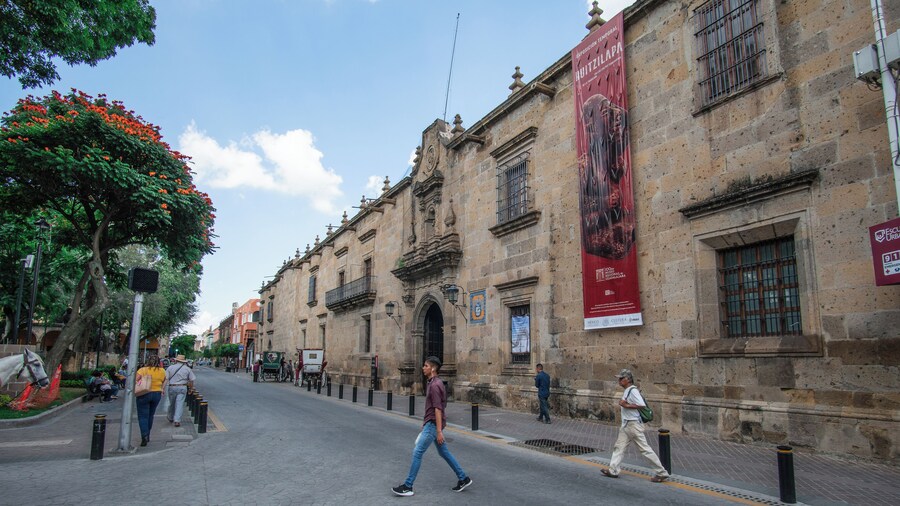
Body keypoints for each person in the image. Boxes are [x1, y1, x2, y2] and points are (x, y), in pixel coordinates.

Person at [392, 356, 472, 497]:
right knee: (444, 452)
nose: (423, 368)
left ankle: (408, 486)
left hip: (433, 424)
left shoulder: (434, 385)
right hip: (432, 424)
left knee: (417, 452)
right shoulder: (435, 382)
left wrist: (438, 431)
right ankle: (463, 478)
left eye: (426, 366)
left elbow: (438, 409)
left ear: (433, 368)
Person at [601, 369, 669, 482]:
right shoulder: (628, 390)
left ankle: (661, 472)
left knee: (645, 449)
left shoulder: (633, 391)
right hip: (627, 424)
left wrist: (626, 405)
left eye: (621, 378)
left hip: (633, 425)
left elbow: (641, 405)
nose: (619, 381)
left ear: (628, 379)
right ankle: (613, 470)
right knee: (619, 447)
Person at [135, 355, 167, 447]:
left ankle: (144, 435)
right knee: (150, 415)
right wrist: (162, 388)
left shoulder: (143, 370)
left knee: (142, 416)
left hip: (144, 393)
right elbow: (165, 380)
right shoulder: (162, 371)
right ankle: (148, 434)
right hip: (157, 394)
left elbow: (136, 380)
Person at [165, 354, 196, 427]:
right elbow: (191, 380)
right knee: (180, 404)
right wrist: (191, 388)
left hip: (172, 387)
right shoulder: (187, 369)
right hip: (182, 387)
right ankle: (177, 420)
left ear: (176, 360)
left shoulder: (170, 367)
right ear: (184, 361)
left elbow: (166, 378)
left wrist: (163, 388)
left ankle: (170, 417)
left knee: (172, 403)